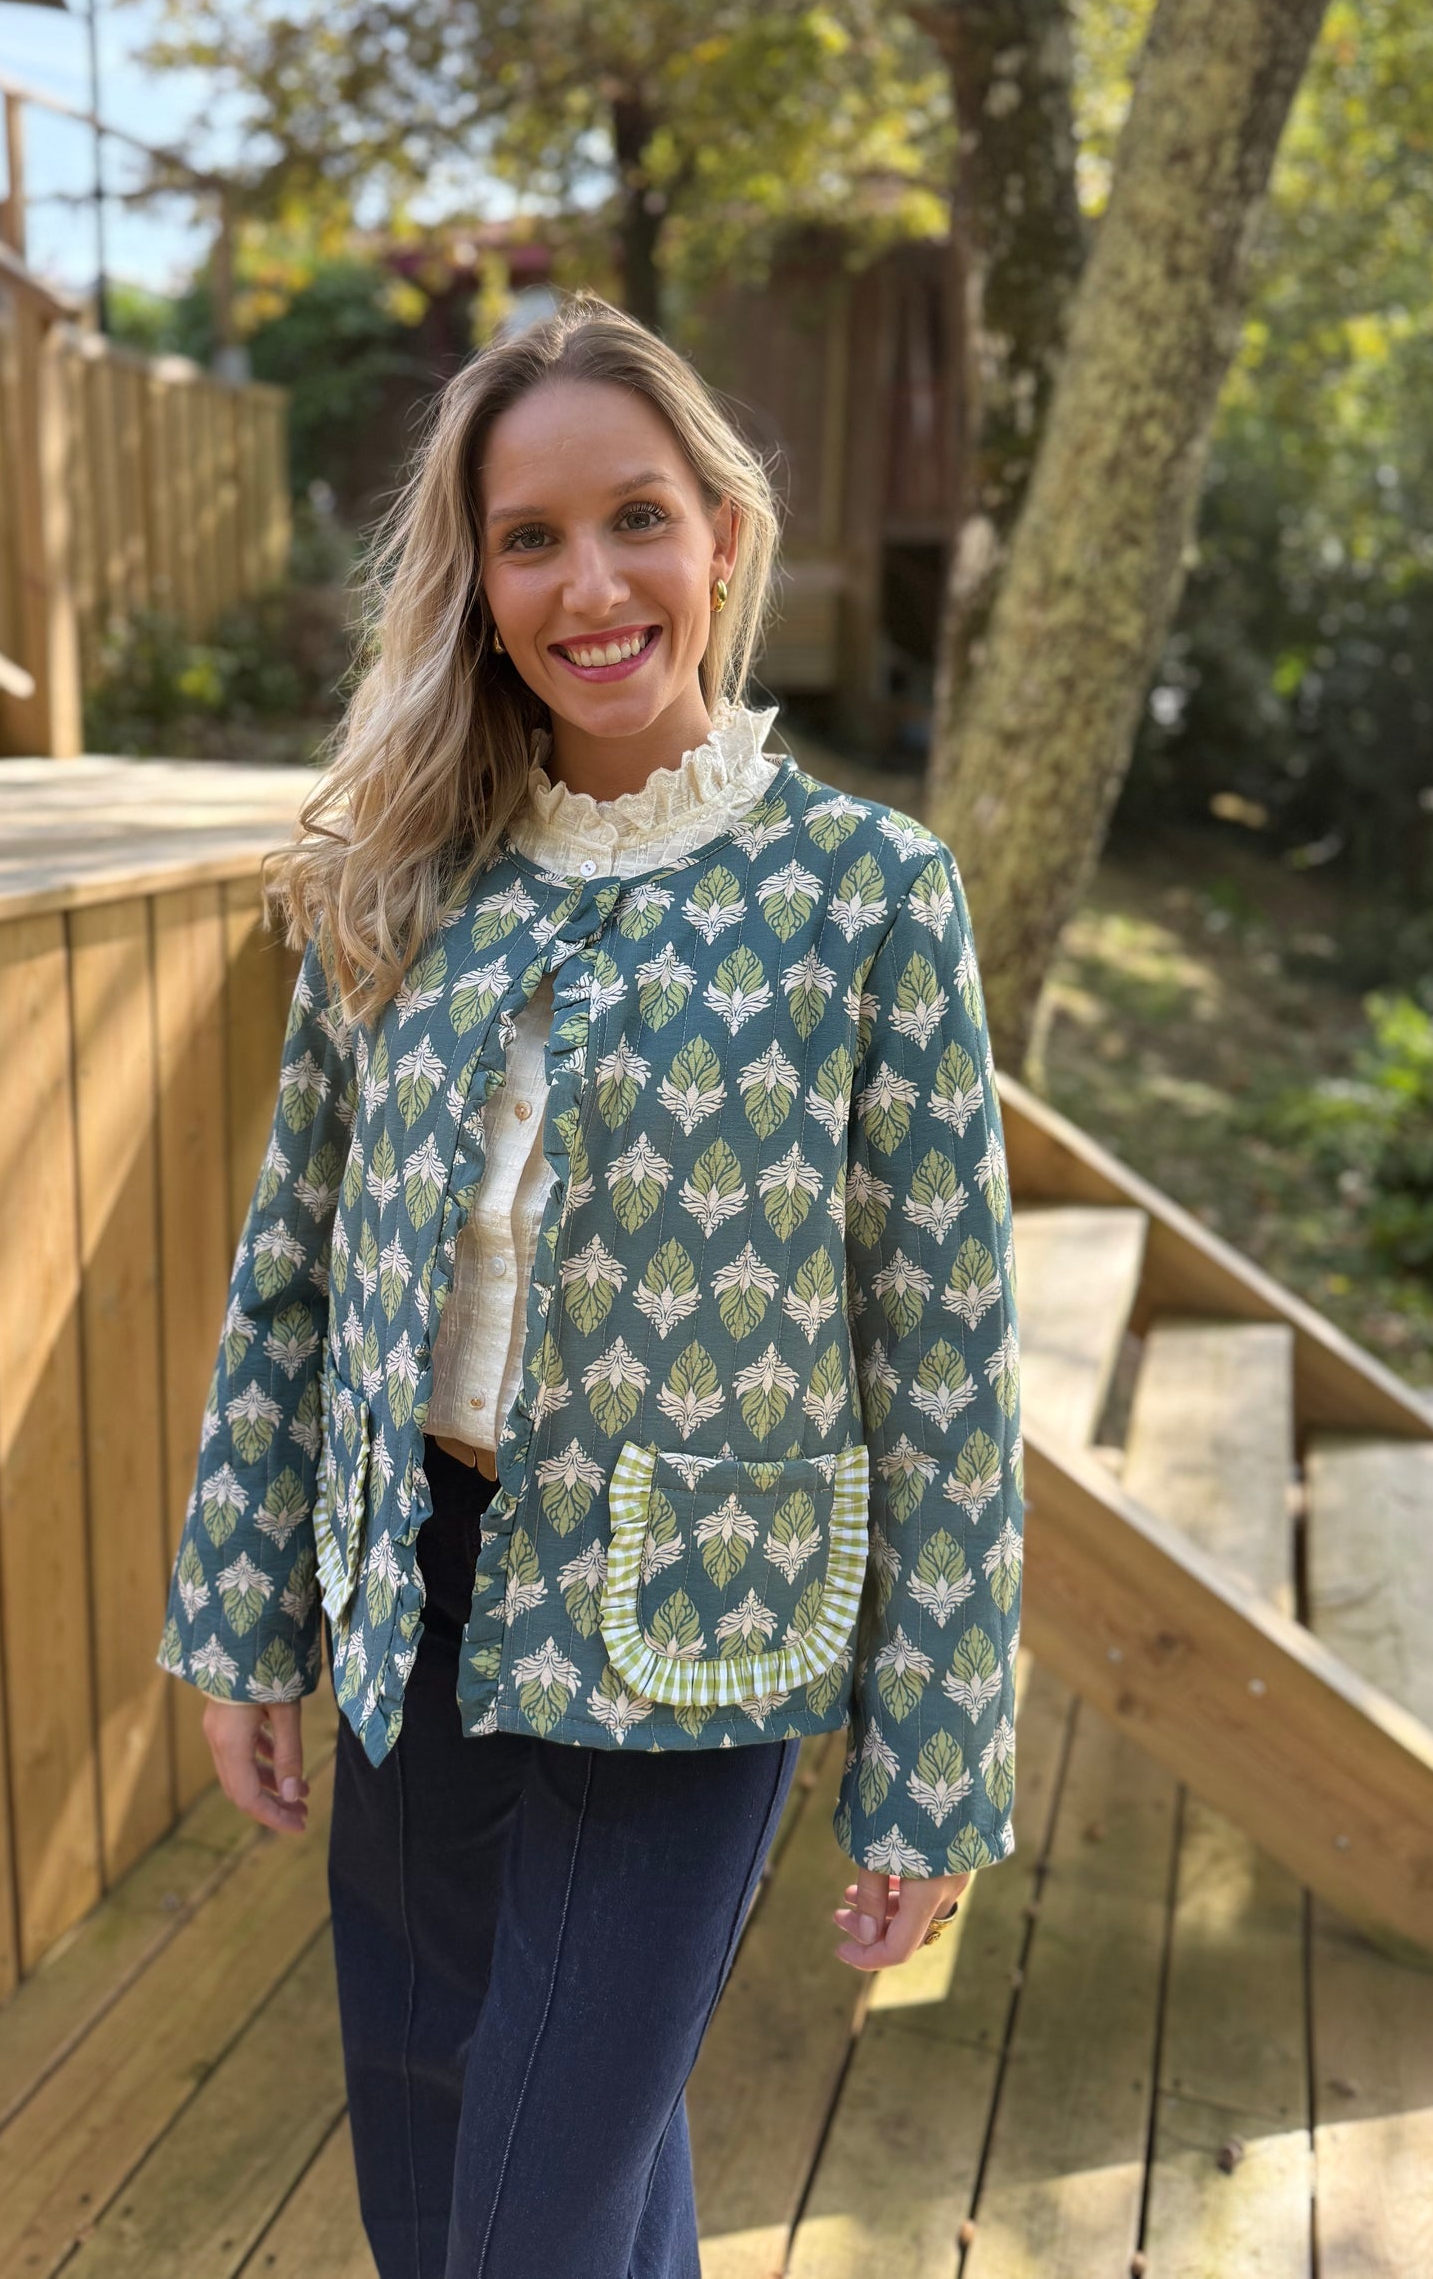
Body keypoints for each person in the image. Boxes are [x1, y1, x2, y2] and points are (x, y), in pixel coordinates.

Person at [158, 294, 1021, 2279]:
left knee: (529, 2222)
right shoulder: (397, 877)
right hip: (414, 1592)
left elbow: (947, 1360)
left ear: (724, 531)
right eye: (528, 538)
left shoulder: (865, 894)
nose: (591, 584)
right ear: (474, 585)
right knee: (440, 2172)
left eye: (636, 516)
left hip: (696, 1625)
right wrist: (241, 1615)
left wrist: (932, 1766)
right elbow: (290, 1269)